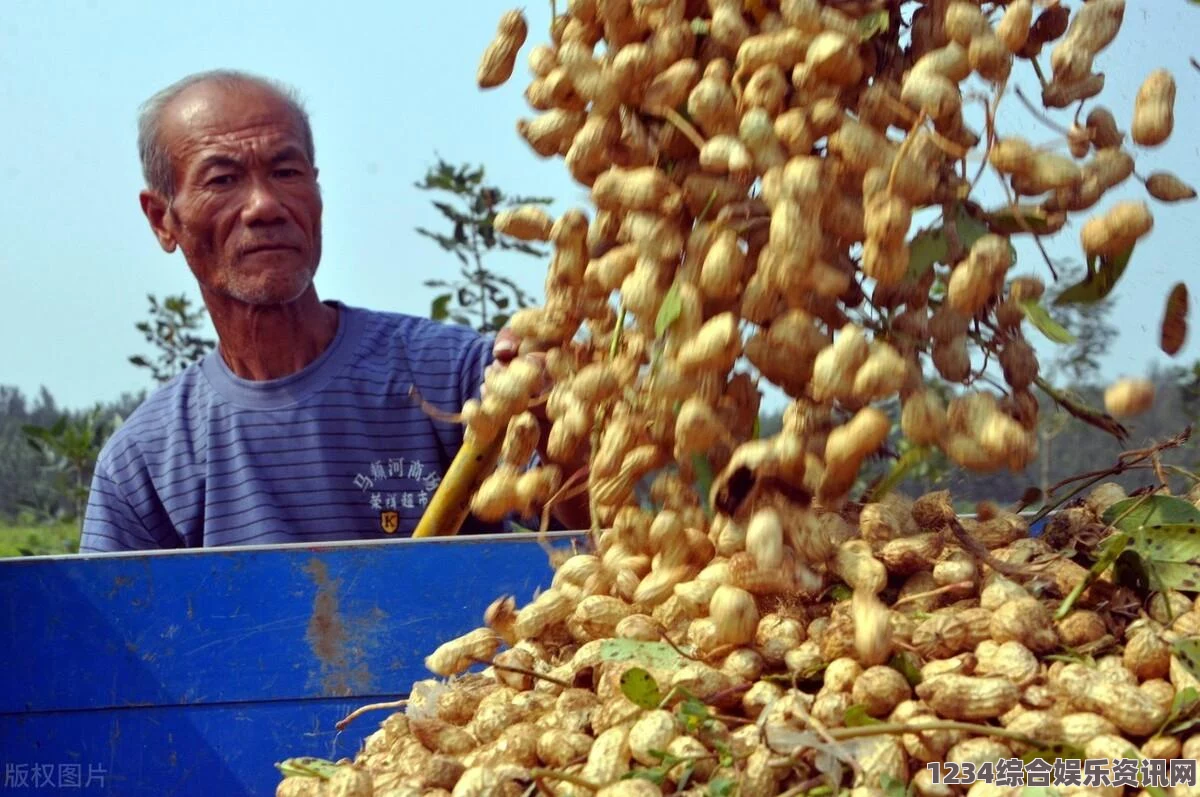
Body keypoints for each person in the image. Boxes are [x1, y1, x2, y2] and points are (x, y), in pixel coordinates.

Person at [79, 69, 570, 553]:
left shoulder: (459, 381)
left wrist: (554, 417)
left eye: (286, 172)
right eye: (223, 179)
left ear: (317, 193)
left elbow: (596, 544)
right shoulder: (144, 463)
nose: (264, 206)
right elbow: (117, 626)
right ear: (163, 220)